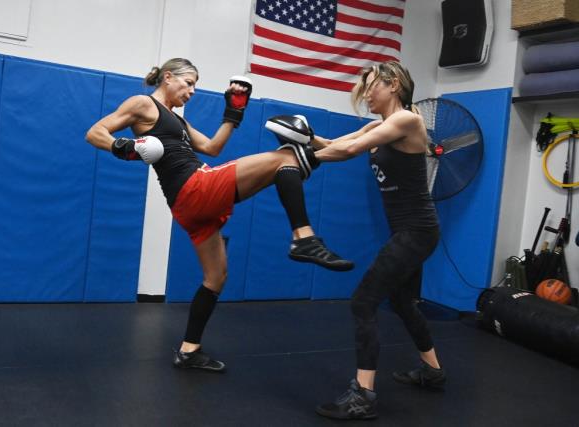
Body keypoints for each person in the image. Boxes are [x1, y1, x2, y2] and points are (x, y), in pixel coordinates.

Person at [85, 58, 353, 373]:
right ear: (168, 77)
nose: (192, 90)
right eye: (188, 83)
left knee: (216, 277)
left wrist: (234, 112)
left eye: (196, 85)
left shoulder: (178, 120)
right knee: (286, 157)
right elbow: (95, 132)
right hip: (195, 188)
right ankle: (304, 239)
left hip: (188, 205)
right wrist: (126, 147)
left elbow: (212, 148)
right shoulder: (143, 103)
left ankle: (189, 350)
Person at [306, 61, 445, 420]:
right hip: (408, 232)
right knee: (400, 301)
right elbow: (335, 144)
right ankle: (432, 371)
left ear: (393, 85)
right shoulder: (381, 125)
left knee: (363, 302)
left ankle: (363, 396)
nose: (367, 94)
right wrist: (303, 138)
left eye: (371, 86)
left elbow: (347, 153)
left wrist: (299, 161)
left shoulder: (408, 121)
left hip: (418, 231)